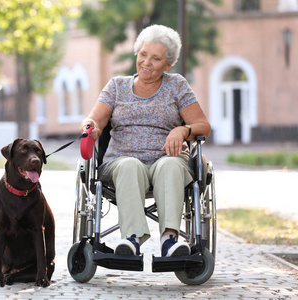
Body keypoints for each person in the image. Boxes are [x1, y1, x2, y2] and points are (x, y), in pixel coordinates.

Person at [80, 24, 211, 257]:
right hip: (121, 163)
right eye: (143, 54)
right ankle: (131, 240)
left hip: (167, 160)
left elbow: (203, 126)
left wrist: (182, 130)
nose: (146, 63)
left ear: (168, 65)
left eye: (156, 58)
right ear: (136, 53)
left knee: (171, 165)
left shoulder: (177, 85)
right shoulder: (117, 87)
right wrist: (91, 127)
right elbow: (94, 120)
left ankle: (170, 241)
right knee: (130, 165)